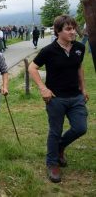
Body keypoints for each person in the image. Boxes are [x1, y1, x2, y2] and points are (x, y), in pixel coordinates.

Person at [28, 15, 88, 183]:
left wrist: (83, 88)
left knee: (80, 128)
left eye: (73, 28)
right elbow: (32, 68)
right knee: (55, 131)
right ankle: (52, 163)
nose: (73, 32)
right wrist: (43, 88)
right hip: (56, 99)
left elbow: (79, 67)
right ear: (58, 31)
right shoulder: (49, 50)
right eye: (68, 29)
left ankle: (59, 147)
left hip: (76, 97)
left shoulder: (79, 48)